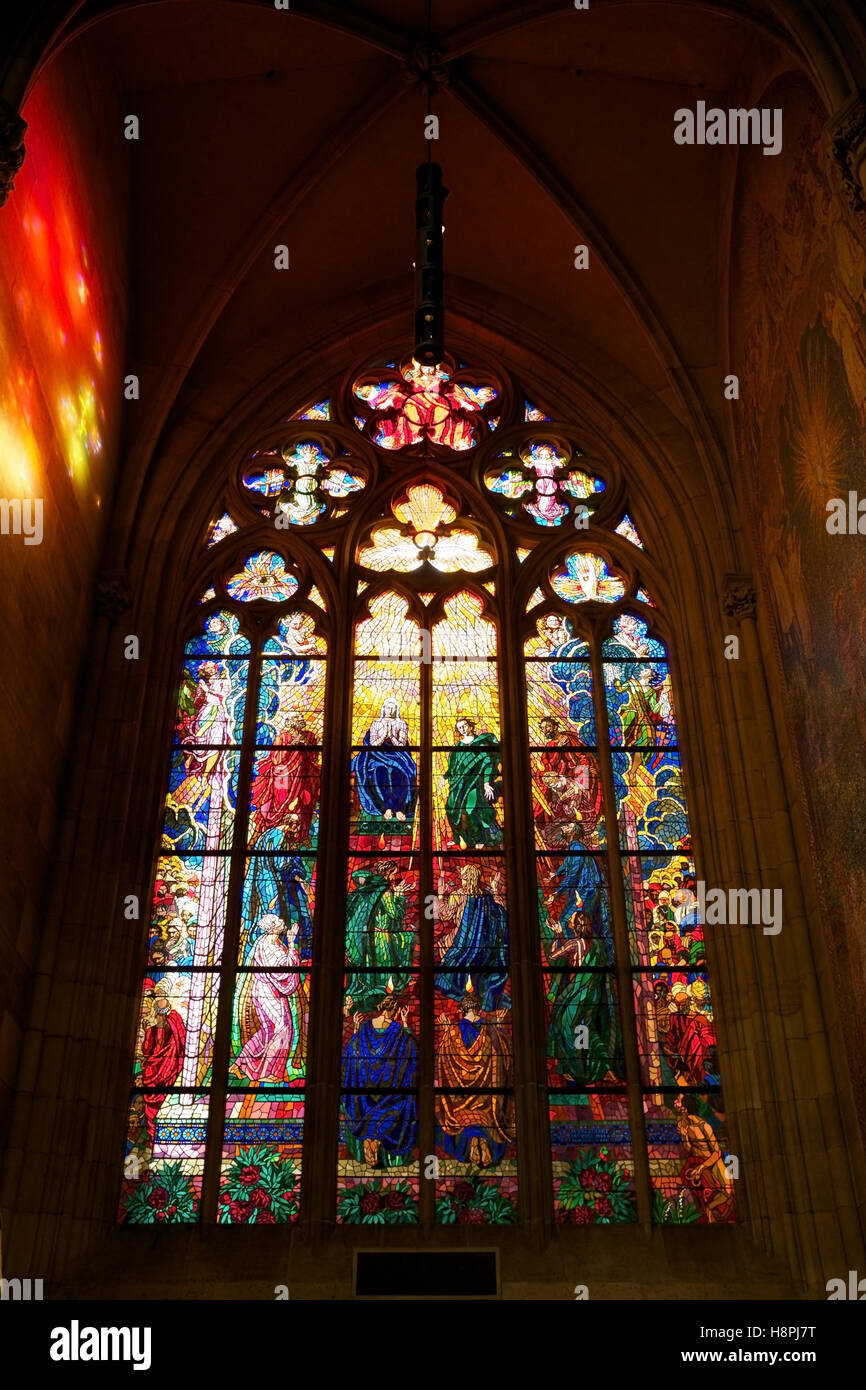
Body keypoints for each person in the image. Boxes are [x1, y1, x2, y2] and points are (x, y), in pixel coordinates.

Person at [436, 990, 515, 1166]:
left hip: (462, 1098)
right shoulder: (489, 1029)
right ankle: (483, 1142)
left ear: (463, 1010)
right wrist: (499, 1026)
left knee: (461, 1112)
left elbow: (445, 1063)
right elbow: (503, 1058)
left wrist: (447, 1031)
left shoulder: (454, 1032)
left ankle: (473, 1142)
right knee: (486, 1113)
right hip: (487, 1099)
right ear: (478, 1009)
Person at [341, 992, 417, 1166]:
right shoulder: (397, 1030)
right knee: (397, 1106)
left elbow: (353, 1051)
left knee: (366, 1108)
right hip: (390, 1088)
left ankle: (370, 1140)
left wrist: (355, 1028)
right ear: (394, 1011)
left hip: (365, 1088)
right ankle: (375, 1142)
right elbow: (411, 1049)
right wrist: (405, 1024)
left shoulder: (366, 1027)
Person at [546, 911, 620, 1085]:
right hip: (592, 995)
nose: (569, 921)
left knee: (565, 1025)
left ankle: (579, 1071)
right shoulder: (594, 944)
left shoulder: (575, 943)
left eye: (571, 919)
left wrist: (557, 933)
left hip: (577, 994)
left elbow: (553, 955)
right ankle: (603, 1067)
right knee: (585, 1028)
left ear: (577, 925)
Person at [232, 915, 304, 1084]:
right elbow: (284, 971)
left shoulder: (267, 942)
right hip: (268, 993)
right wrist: (292, 944)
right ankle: (269, 1072)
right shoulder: (271, 946)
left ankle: (240, 1063)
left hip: (266, 991)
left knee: (268, 1031)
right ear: (272, 928)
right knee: (283, 1029)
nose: (282, 923)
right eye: (279, 922)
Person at [435, 864, 508, 1010]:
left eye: (463, 877)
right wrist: (494, 889)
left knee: (442, 943)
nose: (461, 878)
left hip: (459, 941)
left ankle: (455, 984)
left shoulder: (458, 895)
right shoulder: (487, 895)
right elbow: (501, 911)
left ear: (467, 879)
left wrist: (441, 895)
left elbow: (444, 915)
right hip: (483, 945)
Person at [344, 860, 413, 1013]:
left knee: (373, 965)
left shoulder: (373, 887)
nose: (395, 877)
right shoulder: (385, 891)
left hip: (371, 936)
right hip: (381, 936)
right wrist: (400, 896)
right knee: (385, 964)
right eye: (393, 874)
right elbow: (396, 914)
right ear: (387, 874)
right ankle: (381, 996)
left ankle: (375, 994)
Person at [245, 813, 314, 963]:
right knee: (273, 916)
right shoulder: (278, 836)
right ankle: (267, 956)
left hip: (264, 881)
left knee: (266, 914)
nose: (295, 834)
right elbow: (280, 864)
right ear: (291, 825)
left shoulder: (269, 833)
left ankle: (265, 953)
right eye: (295, 830)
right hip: (269, 882)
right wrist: (296, 867)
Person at [249, 711, 319, 846]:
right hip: (284, 781)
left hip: (304, 778)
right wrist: (292, 744)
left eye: (300, 717)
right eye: (297, 717)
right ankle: (278, 836)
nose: (300, 718)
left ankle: (301, 836)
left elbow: (314, 757)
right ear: (290, 721)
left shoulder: (309, 736)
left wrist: (306, 746)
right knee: (282, 807)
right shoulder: (282, 738)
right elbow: (277, 760)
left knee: (304, 806)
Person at [351, 699, 417, 823]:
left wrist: (391, 736)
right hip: (377, 755)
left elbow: (402, 745)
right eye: (387, 707)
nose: (390, 710)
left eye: (392, 708)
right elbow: (373, 744)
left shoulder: (401, 724)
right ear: (383, 709)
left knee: (399, 773)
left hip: (398, 755)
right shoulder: (376, 724)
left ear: (396, 710)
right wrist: (383, 736)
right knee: (379, 771)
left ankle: (399, 808)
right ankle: (386, 808)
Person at [673, 1094, 734, 1222]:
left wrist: (702, 1167)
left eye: (681, 1106)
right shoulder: (687, 1127)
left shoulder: (704, 1126)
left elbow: (716, 1152)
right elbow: (690, 1149)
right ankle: (705, 1210)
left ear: (686, 1108)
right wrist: (684, 1136)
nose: (680, 1109)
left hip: (714, 1162)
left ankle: (709, 1209)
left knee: (728, 1192)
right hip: (697, 1162)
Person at [443, 717, 502, 849]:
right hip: (459, 784)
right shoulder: (458, 746)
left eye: (464, 726)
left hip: (476, 783)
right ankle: (458, 838)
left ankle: (479, 839)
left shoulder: (480, 744)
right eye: (459, 728)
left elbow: (487, 764)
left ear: (470, 726)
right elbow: (453, 767)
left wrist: (487, 783)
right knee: (451, 808)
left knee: (472, 810)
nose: (462, 729)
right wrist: (446, 777)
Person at [140, 978, 186, 1144]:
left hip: (155, 1070)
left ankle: (153, 1136)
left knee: (154, 1104)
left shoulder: (153, 1029)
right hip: (167, 1068)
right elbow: (181, 1040)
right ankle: (154, 1137)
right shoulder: (174, 1023)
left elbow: (146, 1049)